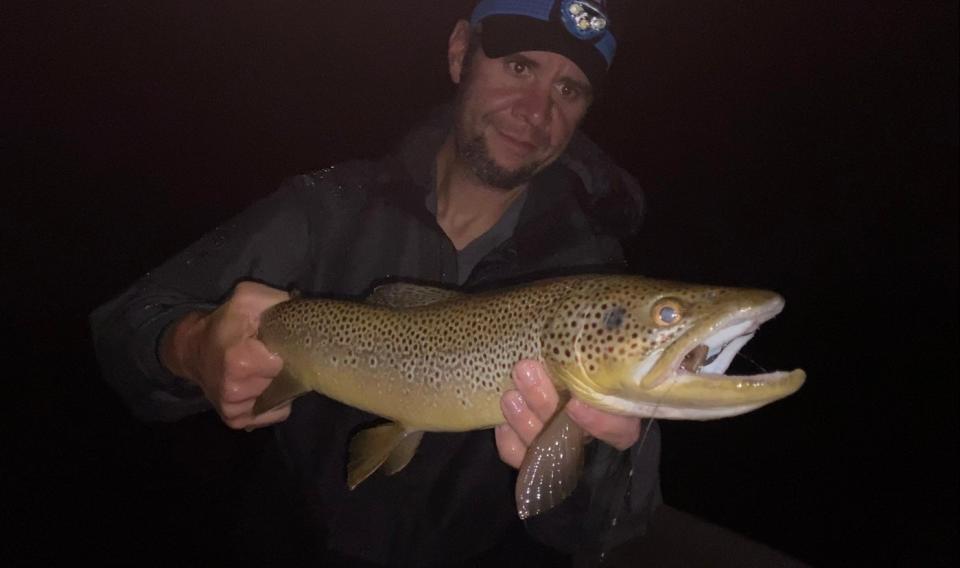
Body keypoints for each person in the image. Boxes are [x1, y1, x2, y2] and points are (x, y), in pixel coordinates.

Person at [90, 1, 662, 565]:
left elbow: (610, 524)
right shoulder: (327, 209)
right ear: (461, 52)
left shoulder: (598, 288)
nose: (536, 112)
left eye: (570, 90)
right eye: (518, 66)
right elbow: (127, 323)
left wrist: (591, 449)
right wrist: (194, 349)